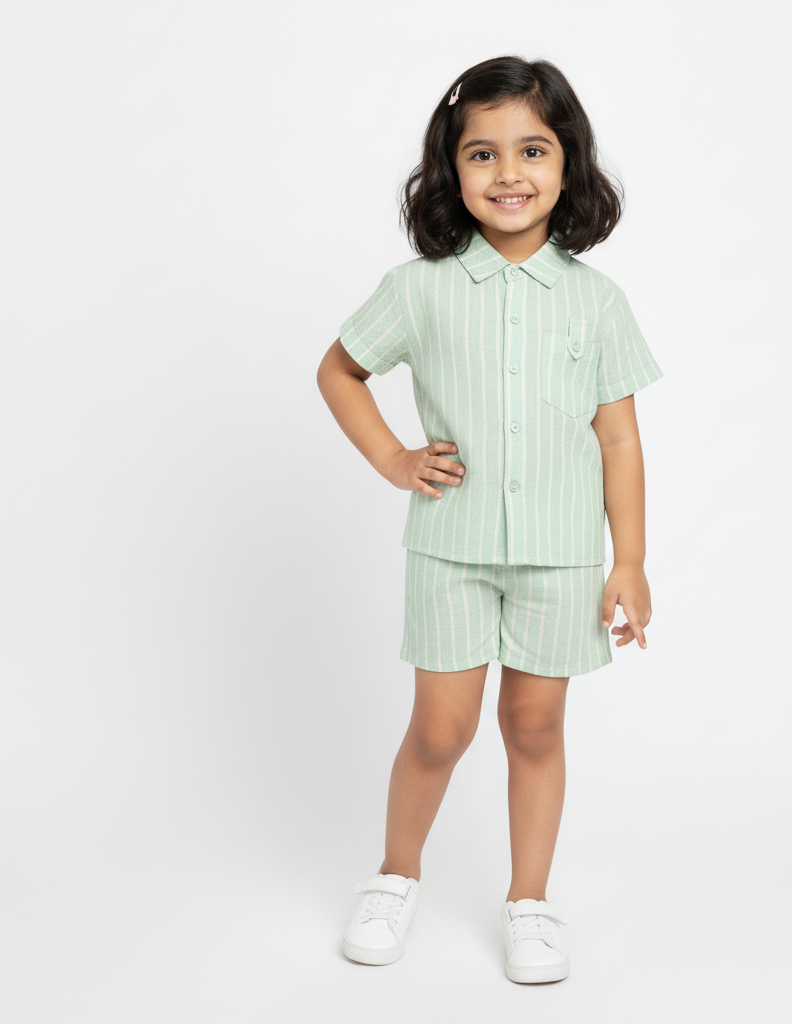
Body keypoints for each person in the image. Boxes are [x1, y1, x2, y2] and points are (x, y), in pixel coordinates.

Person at [316, 55, 664, 984]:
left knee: (535, 727)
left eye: (532, 150)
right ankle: (394, 876)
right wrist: (394, 458)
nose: (509, 173)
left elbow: (619, 439)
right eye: (483, 153)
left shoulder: (596, 301)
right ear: (452, 168)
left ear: (568, 163)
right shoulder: (418, 288)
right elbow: (339, 371)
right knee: (440, 731)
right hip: (451, 548)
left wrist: (629, 560)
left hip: (560, 556)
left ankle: (530, 901)